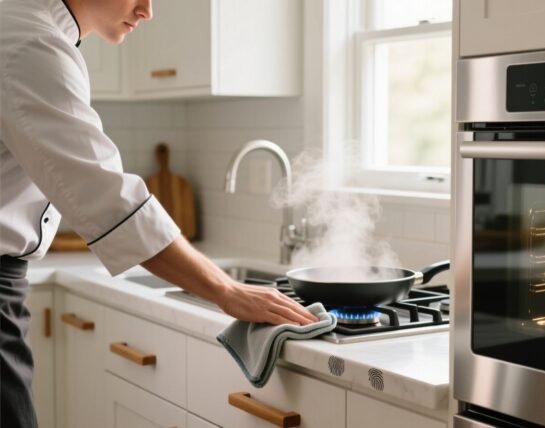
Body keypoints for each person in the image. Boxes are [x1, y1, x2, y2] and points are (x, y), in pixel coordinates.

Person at [0, 0, 318, 425]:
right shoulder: (33, 43)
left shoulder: (27, 29)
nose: (148, 10)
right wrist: (227, 290)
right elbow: (110, 200)